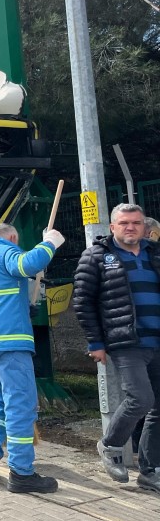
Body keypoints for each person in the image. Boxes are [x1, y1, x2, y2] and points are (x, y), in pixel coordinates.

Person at [0, 222, 64, 494]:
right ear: (12, 238)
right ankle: (21, 472)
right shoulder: (4, 251)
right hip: (10, 342)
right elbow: (28, 264)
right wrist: (49, 242)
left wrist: (21, 307)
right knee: (21, 404)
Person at [72, 203, 160, 493]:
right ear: (112, 227)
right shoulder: (97, 256)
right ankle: (110, 446)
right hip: (125, 342)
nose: (131, 227)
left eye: (136, 223)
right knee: (141, 399)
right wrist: (95, 342)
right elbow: (83, 302)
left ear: (144, 227)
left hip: (157, 340)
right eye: (124, 223)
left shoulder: (154, 252)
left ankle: (150, 471)